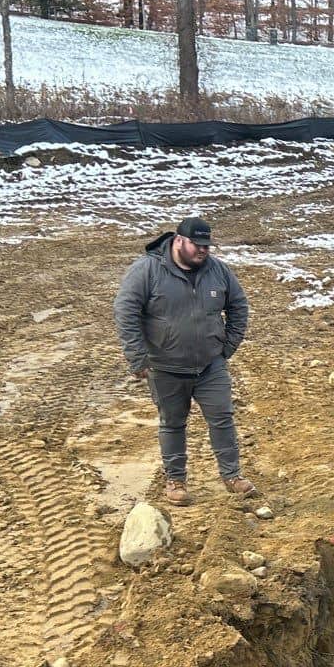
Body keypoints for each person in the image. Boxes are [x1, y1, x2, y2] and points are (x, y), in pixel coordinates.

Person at [113, 215, 254, 505]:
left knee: (222, 419)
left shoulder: (218, 271)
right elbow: (126, 312)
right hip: (166, 366)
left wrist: (226, 347)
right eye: (197, 244)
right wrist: (137, 356)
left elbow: (238, 306)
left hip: (210, 365)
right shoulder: (147, 270)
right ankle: (175, 480)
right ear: (178, 240)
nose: (203, 250)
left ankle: (232, 475)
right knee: (173, 423)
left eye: (207, 245)